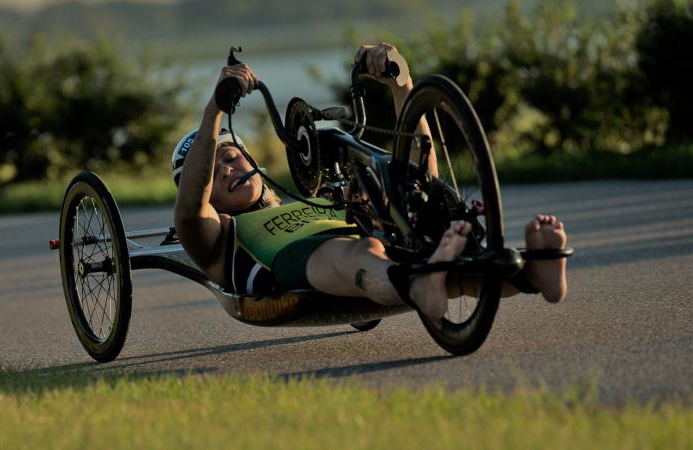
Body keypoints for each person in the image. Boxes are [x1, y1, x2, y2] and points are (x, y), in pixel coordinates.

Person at [173, 43, 567, 328]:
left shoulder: (319, 195)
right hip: (308, 262)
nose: (226, 169)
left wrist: (401, 84)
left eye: (232, 156)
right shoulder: (220, 235)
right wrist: (216, 110)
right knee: (361, 251)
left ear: (253, 161)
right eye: (214, 169)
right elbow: (191, 208)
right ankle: (423, 282)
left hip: (381, 255)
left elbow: (418, 183)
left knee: (429, 237)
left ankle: (534, 274)